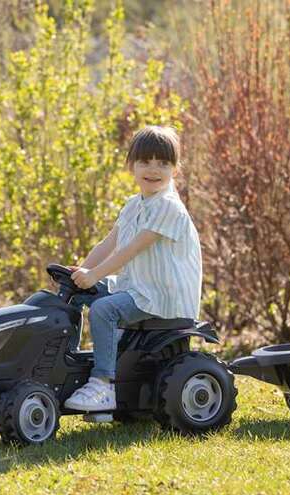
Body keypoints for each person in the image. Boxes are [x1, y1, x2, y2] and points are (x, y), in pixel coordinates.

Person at [64, 125, 202, 412]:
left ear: (175, 169)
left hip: (162, 295)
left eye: (163, 163)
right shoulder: (133, 205)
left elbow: (131, 250)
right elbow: (108, 244)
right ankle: (67, 363)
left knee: (104, 309)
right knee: (77, 295)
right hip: (139, 286)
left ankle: (103, 384)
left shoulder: (168, 207)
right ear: (132, 165)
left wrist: (95, 275)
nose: (153, 170)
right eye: (145, 162)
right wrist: (80, 273)